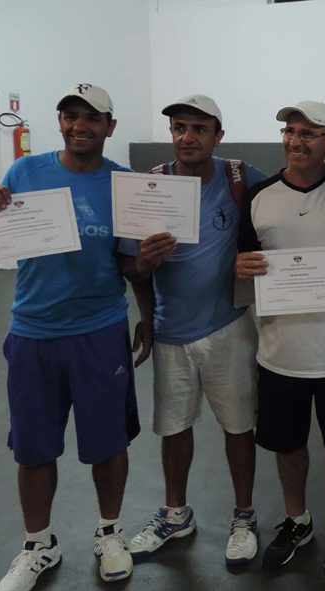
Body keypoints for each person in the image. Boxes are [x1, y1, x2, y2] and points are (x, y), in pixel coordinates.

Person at [0, 84, 147, 591]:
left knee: (109, 444)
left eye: (91, 118)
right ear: (60, 122)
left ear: (110, 126)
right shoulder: (24, 172)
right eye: (71, 116)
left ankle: (109, 534)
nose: (79, 126)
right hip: (33, 332)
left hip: (100, 331)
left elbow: (129, 263)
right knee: (32, 449)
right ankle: (38, 545)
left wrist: (149, 278)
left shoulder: (124, 183)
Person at [118, 95, 267, 565]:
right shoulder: (150, 187)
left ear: (218, 135)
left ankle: (244, 516)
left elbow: (291, 196)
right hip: (171, 333)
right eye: (179, 127)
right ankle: (175, 513)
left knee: (238, 427)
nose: (187, 137)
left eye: (199, 128)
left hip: (230, 327)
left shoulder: (241, 178)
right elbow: (131, 268)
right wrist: (146, 270)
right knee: (174, 428)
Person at [235, 101, 325, 577]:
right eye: (290, 131)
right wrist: (239, 266)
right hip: (279, 352)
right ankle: (297, 520)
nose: (296, 140)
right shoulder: (259, 196)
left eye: (309, 133)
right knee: (288, 444)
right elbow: (243, 262)